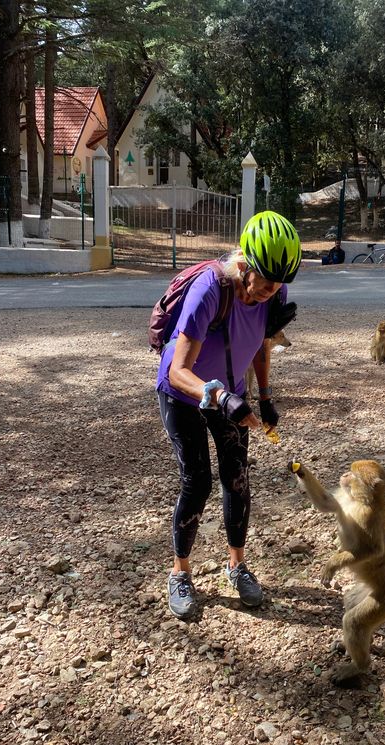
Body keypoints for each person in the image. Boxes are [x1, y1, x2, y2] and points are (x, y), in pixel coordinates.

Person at [156, 211, 302, 618]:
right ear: (245, 265)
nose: (269, 294)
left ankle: (236, 566)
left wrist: (266, 395)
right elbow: (177, 370)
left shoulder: (274, 292)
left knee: (237, 479)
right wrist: (219, 397)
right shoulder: (210, 290)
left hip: (231, 394)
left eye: (278, 287)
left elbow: (259, 343)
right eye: (264, 285)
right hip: (184, 394)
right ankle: (180, 572)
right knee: (197, 480)